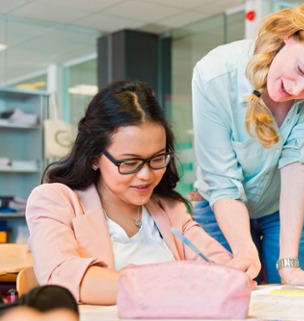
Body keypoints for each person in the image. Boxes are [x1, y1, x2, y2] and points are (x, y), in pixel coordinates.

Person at [191, 0, 304, 287]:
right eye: (301, 70)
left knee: (294, 300)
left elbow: (297, 162)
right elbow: (221, 179)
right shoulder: (215, 72)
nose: (298, 90)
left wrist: (289, 265)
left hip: (292, 205)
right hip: (219, 202)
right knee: (233, 301)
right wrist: (243, 249)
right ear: (290, 34)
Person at [26, 80, 233, 305]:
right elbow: (61, 277)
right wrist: (158, 284)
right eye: (130, 162)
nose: (145, 174)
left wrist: (232, 271)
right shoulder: (55, 201)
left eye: (157, 159)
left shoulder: (169, 209)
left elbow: (220, 266)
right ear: (95, 157)